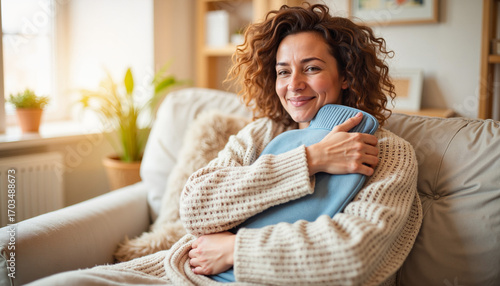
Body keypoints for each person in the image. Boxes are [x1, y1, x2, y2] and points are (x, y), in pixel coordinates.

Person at [30, 3, 421, 286]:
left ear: (348, 75)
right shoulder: (261, 134)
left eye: (312, 68)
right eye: (283, 72)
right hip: (179, 271)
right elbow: (196, 208)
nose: (293, 84)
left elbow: (352, 255)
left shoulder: (387, 152)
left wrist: (236, 250)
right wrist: (310, 159)